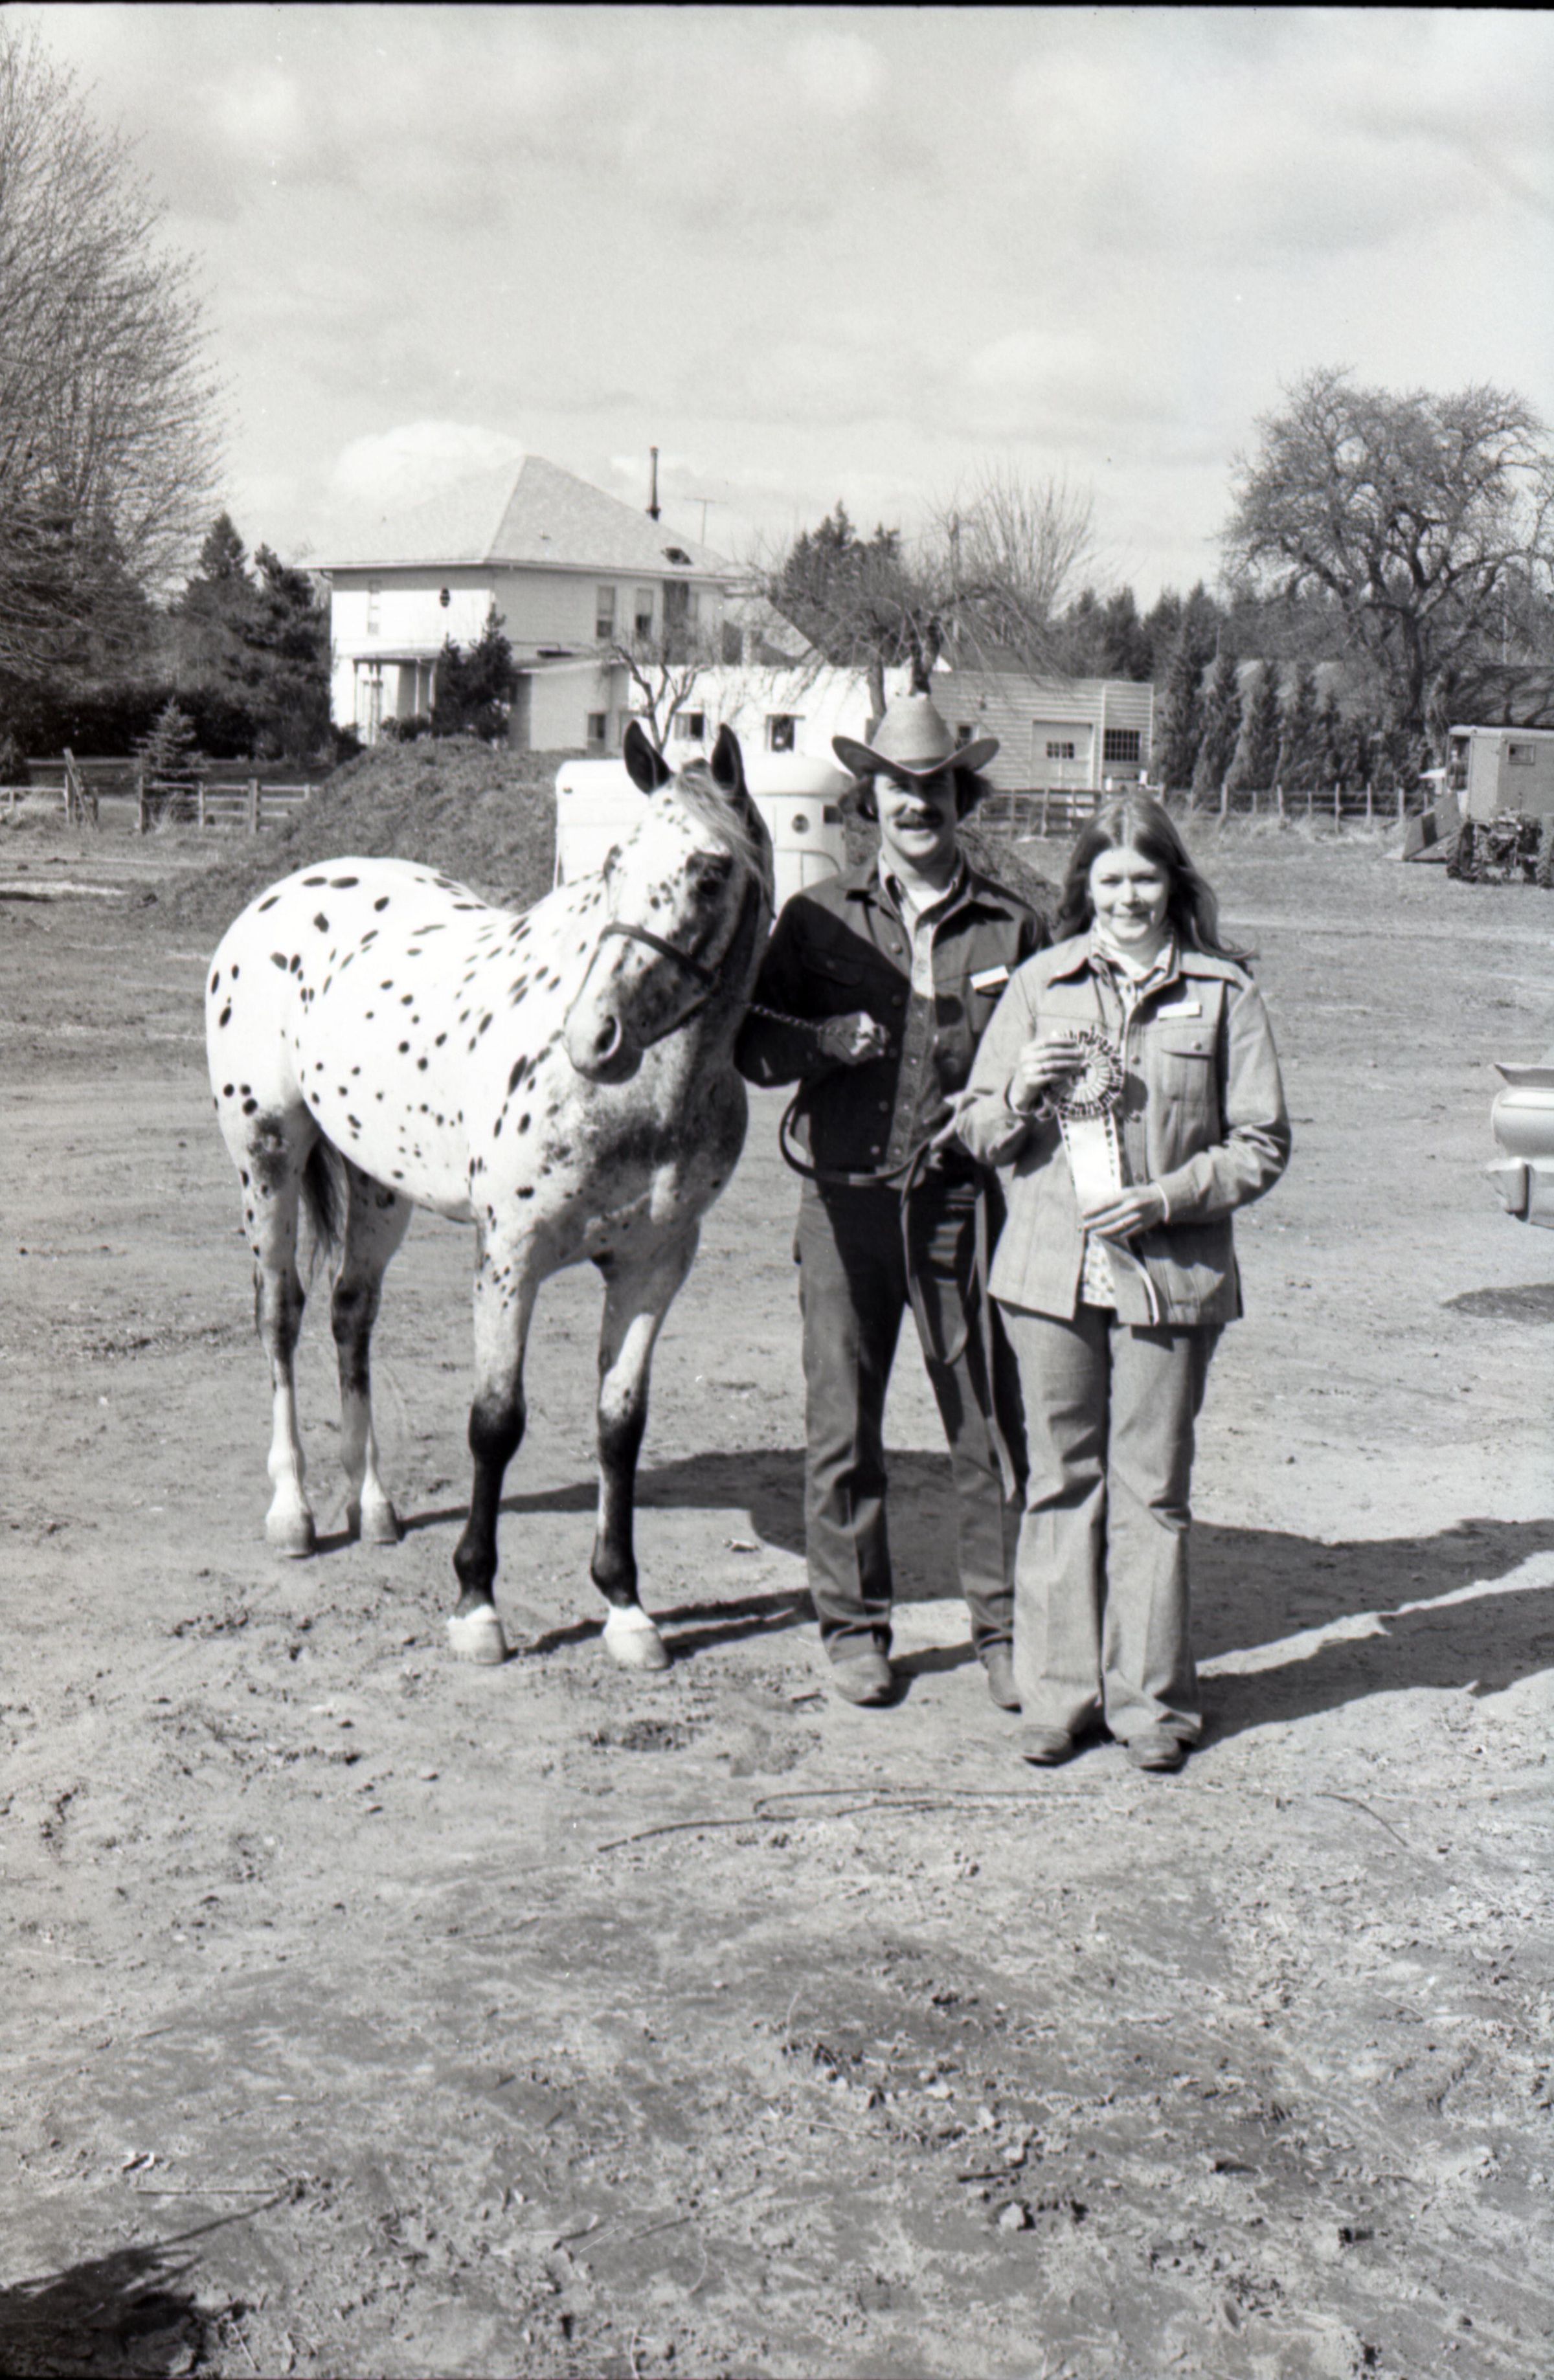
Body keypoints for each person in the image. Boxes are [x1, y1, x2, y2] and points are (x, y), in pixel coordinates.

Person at [956, 794, 1289, 1771]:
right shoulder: (1038, 984)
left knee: (1154, 1489)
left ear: (1174, 885)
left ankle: (1153, 1707)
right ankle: (1058, 1698)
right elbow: (977, 1127)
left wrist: (1167, 1198)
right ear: (1086, 888)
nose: (1129, 898)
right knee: (1061, 1481)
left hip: (1172, 1277)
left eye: (1146, 878)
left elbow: (1262, 1143)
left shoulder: (1226, 995)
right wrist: (1019, 1091)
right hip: (1049, 1279)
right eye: (1111, 880)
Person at [735, 693, 1046, 1709]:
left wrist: (1008, 1108)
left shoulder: (1014, 924)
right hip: (843, 1211)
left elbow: (1050, 1061)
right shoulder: (817, 917)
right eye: (897, 788)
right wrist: (820, 1044)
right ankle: (854, 1629)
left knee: (986, 1426)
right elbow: (752, 1044)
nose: (917, 804)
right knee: (842, 1426)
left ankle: (1004, 1631)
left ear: (963, 798)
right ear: (868, 799)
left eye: (935, 787)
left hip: (963, 1212)